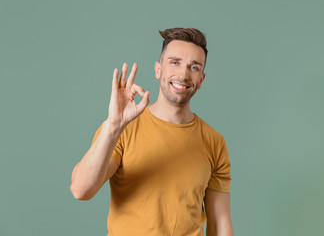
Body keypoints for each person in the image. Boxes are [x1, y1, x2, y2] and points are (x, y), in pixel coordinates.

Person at [70, 27, 233, 236]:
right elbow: (81, 190)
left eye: (194, 67)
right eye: (175, 62)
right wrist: (113, 126)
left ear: (201, 79)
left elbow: (220, 224)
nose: (183, 74)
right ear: (158, 70)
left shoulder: (214, 142)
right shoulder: (121, 128)